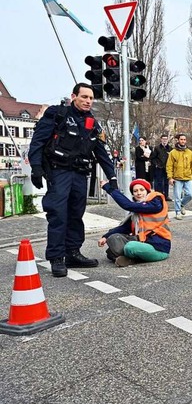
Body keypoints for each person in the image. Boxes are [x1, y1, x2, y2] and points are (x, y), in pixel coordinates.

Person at [28, 83, 117, 277]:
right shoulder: (57, 114)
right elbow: (38, 141)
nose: (88, 101)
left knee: (76, 214)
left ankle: (72, 253)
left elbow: (102, 153)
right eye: (84, 97)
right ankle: (57, 257)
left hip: (79, 174)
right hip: (58, 171)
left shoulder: (92, 123)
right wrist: (36, 168)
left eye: (91, 98)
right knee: (58, 214)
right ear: (73, 96)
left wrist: (112, 177)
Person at [98, 178, 171, 267]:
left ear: (148, 191)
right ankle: (126, 257)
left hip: (159, 247)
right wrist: (105, 237)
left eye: (142, 190)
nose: (139, 193)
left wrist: (108, 188)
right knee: (113, 238)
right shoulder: (136, 212)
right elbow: (124, 228)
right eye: (135, 191)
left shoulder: (156, 202)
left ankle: (126, 257)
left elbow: (127, 205)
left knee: (130, 247)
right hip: (141, 241)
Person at [166, 133, 192, 220]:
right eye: (181, 139)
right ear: (178, 140)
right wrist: (170, 177)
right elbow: (169, 166)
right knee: (177, 196)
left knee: (190, 194)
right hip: (177, 178)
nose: (183, 141)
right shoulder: (173, 153)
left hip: (188, 177)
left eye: (184, 139)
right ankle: (178, 211)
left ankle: (182, 204)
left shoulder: (190, 152)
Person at [150, 133, 172, 201]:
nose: (165, 140)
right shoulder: (157, 148)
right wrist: (156, 164)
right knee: (158, 182)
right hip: (159, 167)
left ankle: (166, 195)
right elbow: (153, 157)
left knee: (166, 182)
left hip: (167, 167)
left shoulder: (170, 148)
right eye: (163, 139)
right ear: (161, 140)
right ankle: (158, 195)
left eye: (166, 139)